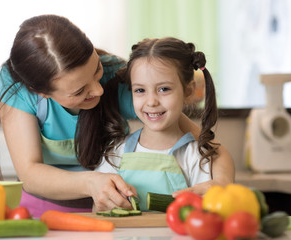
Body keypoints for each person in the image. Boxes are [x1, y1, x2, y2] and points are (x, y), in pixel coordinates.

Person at [0, 14, 234, 218]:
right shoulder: (17, 86)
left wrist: (221, 185)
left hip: (114, 213)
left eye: (96, 70)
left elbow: (210, 147)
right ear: (40, 92)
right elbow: (30, 173)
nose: (98, 90)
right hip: (44, 211)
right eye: (79, 91)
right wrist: (92, 182)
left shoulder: (117, 76)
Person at [92, 37, 232, 209]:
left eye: (164, 89)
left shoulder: (197, 157)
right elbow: (98, 209)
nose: (151, 102)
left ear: (188, 91)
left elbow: (205, 216)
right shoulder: (115, 153)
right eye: (140, 90)